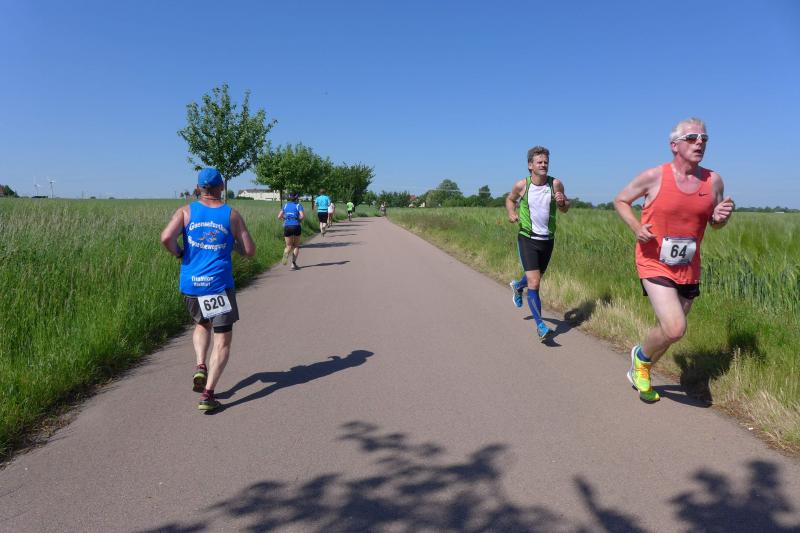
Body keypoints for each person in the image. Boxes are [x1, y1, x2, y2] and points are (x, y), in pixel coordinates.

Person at [614, 118, 734, 403]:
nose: (699, 143)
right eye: (692, 138)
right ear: (674, 145)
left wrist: (721, 219)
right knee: (675, 327)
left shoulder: (713, 180)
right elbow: (620, 200)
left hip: (688, 266)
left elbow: (715, 222)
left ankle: (640, 368)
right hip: (653, 260)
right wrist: (636, 227)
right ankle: (641, 359)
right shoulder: (654, 176)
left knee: (671, 332)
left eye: (704, 139)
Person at [160, 168, 256, 412]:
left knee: (202, 324)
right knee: (222, 340)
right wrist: (232, 245)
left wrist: (179, 253)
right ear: (221, 187)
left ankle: (200, 364)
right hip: (219, 285)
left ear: (199, 188)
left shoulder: (185, 211)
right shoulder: (231, 215)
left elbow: (166, 238)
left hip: (192, 283)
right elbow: (249, 251)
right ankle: (208, 394)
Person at [506, 146, 570, 342]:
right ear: (530, 165)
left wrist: (562, 202)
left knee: (535, 278)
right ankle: (541, 326)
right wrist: (511, 213)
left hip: (547, 240)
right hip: (527, 238)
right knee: (534, 283)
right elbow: (510, 200)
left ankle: (518, 286)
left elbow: (565, 209)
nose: (543, 165)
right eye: (539, 162)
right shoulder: (522, 185)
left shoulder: (555, 184)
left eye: (546, 162)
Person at [278, 191, 304, 270]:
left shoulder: (285, 205)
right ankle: (293, 264)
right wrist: (298, 220)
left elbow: (279, 216)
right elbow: (302, 216)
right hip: (296, 226)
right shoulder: (298, 205)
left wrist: (285, 219)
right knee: (296, 246)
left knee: (288, 246)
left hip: (287, 226)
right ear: (297, 197)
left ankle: (284, 258)